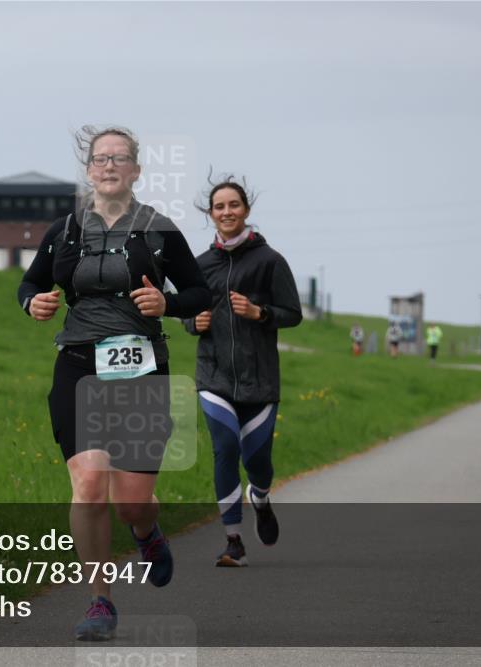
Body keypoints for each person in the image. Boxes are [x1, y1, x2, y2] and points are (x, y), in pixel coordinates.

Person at [17, 126, 211, 640]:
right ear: (88, 170)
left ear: (136, 171)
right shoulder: (64, 230)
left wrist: (169, 304)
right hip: (78, 365)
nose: (108, 166)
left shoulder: (160, 229)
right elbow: (31, 282)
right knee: (87, 483)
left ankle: (146, 532)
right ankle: (99, 601)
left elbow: (199, 292)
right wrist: (31, 302)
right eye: (101, 158)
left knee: (131, 502)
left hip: (140, 370)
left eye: (119, 158)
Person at [183, 175, 302, 567]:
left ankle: (262, 497)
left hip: (260, 380)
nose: (227, 212)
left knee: (258, 461)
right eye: (219, 206)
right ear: (211, 214)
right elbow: (187, 312)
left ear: (246, 210)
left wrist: (259, 312)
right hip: (213, 375)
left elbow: (293, 314)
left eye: (233, 205)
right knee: (225, 448)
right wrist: (192, 322)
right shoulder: (200, 266)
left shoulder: (270, 261)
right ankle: (233, 540)